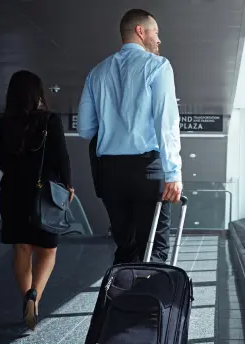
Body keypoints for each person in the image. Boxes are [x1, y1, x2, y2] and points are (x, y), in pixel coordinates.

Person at [77, 8, 183, 265]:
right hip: (147, 169)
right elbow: (165, 121)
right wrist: (173, 173)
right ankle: (151, 304)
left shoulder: (97, 72)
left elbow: (85, 129)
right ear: (140, 31)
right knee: (154, 248)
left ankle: (124, 303)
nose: (159, 39)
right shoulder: (157, 66)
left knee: (126, 247)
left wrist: (113, 125)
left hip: (110, 173)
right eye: (155, 32)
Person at [0, 70, 74, 331]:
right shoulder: (49, 120)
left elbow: (1, 162)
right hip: (44, 193)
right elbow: (61, 157)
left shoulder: (4, 122)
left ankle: (27, 297)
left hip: (13, 192)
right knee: (48, 249)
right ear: (37, 93)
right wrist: (68, 184)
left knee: (22, 248)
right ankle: (35, 297)